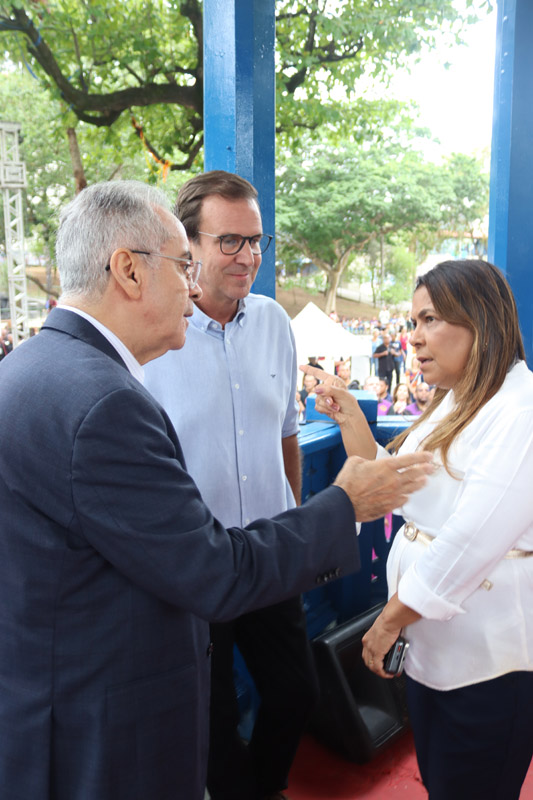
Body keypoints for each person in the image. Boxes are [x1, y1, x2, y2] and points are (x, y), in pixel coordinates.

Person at [0, 180, 433, 800]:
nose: (192, 284)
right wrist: (346, 502)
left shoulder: (33, 368)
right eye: (184, 263)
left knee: (290, 693)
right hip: (108, 718)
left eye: (254, 241)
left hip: (69, 688)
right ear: (128, 270)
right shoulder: (105, 403)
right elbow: (212, 570)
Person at [304, 258, 533, 800]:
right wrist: (350, 419)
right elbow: (395, 485)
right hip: (433, 647)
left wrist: (387, 622)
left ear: (480, 321)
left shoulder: (519, 409)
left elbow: (471, 541)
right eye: (412, 324)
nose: (414, 339)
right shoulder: (458, 400)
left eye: (429, 320)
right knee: (442, 778)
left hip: (488, 659)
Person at [144, 170, 317, 800]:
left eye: (256, 241)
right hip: (196, 568)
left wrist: (295, 520)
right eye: (230, 242)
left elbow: (288, 434)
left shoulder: (275, 322)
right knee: (210, 720)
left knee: (298, 692)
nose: (247, 257)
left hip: (271, 555)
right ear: (188, 245)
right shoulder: (156, 337)